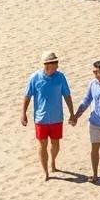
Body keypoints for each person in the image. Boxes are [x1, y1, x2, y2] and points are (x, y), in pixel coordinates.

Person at [22, 51, 74, 181]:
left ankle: (53, 162)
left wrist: (72, 113)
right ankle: (46, 172)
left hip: (57, 117)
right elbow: (27, 96)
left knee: (56, 145)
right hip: (41, 118)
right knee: (42, 144)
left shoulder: (60, 77)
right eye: (55, 62)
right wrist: (23, 113)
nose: (57, 64)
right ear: (47, 64)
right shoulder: (35, 78)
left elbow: (67, 95)